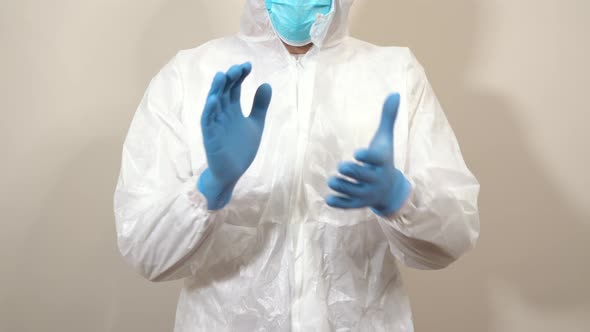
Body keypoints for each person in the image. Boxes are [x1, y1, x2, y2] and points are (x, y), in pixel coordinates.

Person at [114, 0, 480, 331]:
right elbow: (146, 253)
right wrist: (212, 186)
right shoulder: (190, 77)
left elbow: (455, 235)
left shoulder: (395, 75)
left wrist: (400, 198)